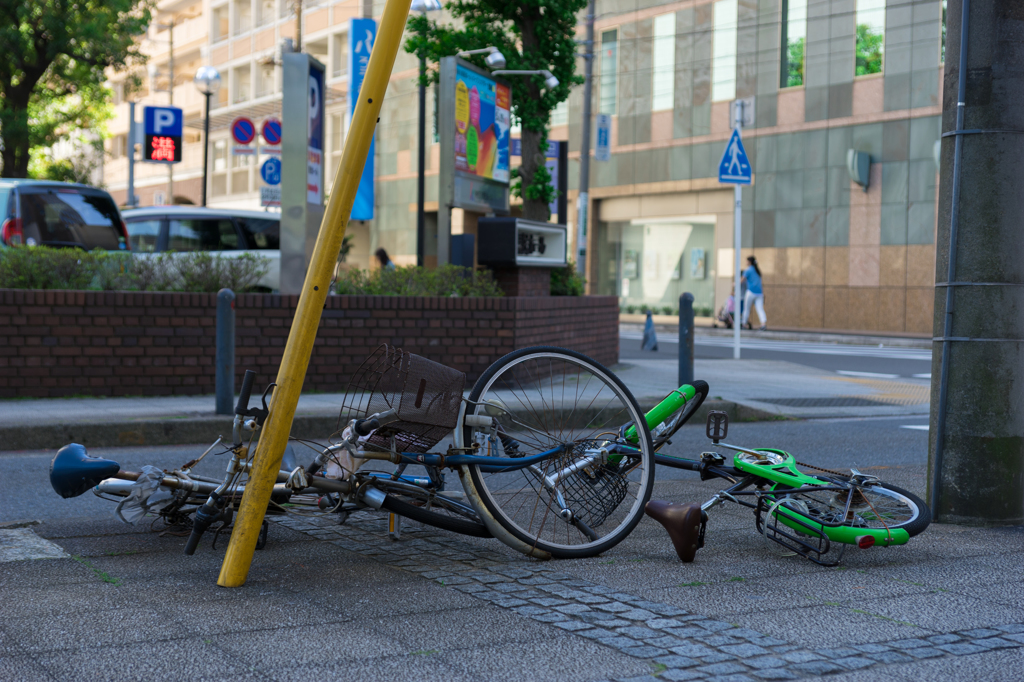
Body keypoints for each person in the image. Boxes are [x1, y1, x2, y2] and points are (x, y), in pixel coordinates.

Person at [741, 255, 767, 331]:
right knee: (760, 309)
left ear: (749, 262)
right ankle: (763, 324)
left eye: (746, 261)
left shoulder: (748, 270)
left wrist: (734, 284)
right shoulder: (757, 270)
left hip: (751, 292)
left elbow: (741, 281)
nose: (745, 262)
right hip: (759, 293)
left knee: (747, 309)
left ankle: (743, 323)